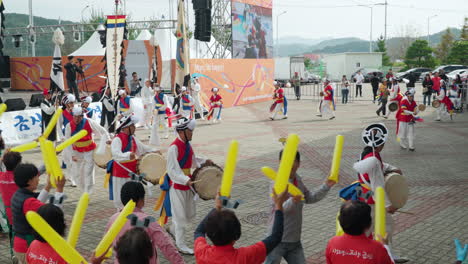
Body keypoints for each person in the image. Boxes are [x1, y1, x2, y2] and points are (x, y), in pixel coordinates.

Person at [265, 151, 335, 264]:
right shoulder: (276, 183)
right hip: (276, 239)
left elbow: (309, 198)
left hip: (294, 239)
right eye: (286, 161)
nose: (290, 165)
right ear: (280, 163)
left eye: (294, 161)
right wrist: (292, 201)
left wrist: (326, 186)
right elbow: (278, 208)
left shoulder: (298, 180)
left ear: (298, 164)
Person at [352, 123, 408, 263]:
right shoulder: (374, 159)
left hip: (366, 196)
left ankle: (387, 253)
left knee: (382, 226)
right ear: (381, 143)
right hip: (373, 200)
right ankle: (374, 256)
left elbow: (381, 167)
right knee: (378, 227)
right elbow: (378, 185)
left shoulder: (367, 153)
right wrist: (388, 205)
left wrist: (394, 169)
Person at [194, 188, 288, 264]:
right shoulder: (245, 257)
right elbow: (276, 237)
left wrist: (217, 207)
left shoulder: (202, 252)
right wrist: (279, 206)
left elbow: (199, 231)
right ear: (236, 235)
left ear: (210, 233)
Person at [161, 117, 212, 254]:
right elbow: (171, 171)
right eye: (190, 131)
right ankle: (181, 245)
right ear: (182, 131)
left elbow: (193, 160)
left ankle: (172, 230)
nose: (192, 133)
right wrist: (184, 179)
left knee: (189, 214)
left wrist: (206, 161)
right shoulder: (173, 148)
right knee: (180, 217)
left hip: (187, 184)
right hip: (177, 186)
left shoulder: (187, 145)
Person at [106, 181, 185, 264]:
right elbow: (166, 245)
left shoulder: (113, 219)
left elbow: (105, 246)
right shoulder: (148, 221)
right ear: (141, 200)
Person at [11, 163, 66, 264]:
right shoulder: (29, 202)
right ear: (29, 181)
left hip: (18, 243)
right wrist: (59, 190)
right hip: (26, 246)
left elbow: (37, 202)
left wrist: (48, 186)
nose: (39, 179)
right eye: (36, 176)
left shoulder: (18, 194)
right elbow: (54, 212)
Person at [108, 115, 155, 209]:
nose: (134, 128)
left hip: (132, 173)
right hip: (120, 175)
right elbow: (116, 155)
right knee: (121, 200)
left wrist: (154, 151)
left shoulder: (132, 138)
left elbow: (143, 148)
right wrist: (128, 155)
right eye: (132, 126)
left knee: (133, 198)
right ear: (126, 127)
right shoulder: (117, 139)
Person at [325, 200, 394, 264]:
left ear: (340, 222)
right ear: (369, 224)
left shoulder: (332, 243)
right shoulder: (377, 248)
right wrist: (385, 246)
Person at [64, 106, 110, 193]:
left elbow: (102, 130)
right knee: (77, 174)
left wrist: (107, 139)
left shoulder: (89, 122)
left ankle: (87, 192)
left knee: (88, 172)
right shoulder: (68, 126)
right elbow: (68, 142)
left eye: (79, 117)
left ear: (82, 116)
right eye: (75, 116)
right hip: (77, 152)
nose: (77, 119)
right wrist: (72, 155)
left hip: (89, 150)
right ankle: (83, 190)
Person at [0, 151, 22, 225]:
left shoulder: (1, 176)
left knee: (13, 230)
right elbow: (40, 170)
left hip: (8, 211)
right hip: (22, 210)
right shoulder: (22, 176)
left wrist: (3, 158)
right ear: (19, 163)